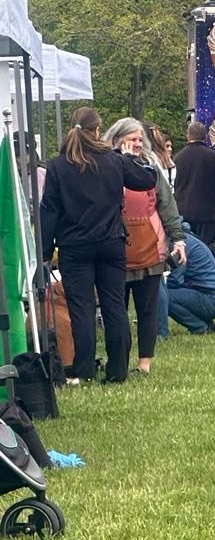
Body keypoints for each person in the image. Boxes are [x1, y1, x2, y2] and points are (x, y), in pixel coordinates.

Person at [40, 107, 157, 383]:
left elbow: (49, 212)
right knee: (114, 305)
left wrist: (45, 253)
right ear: (96, 130)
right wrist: (132, 157)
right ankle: (117, 370)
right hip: (111, 243)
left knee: (81, 309)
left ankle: (84, 371)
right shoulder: (114, 160)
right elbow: (147, 179)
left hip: (74, 246)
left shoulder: (58, 166)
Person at [102, 118, 187, 375]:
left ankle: (144, 363)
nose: (137, 143)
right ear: (117, 140)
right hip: (116, 248)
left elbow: (167, 205)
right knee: (116, 311)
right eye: (132, 139)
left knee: (148, 308)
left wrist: (178, 238)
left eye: (140, 139)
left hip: (150, 245)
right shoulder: (106, 166)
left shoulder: (151, 168)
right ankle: (119, 361)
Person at [172, 121, 215, 247]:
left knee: (188, 253)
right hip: (208, 215)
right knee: (210, 253)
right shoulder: (213, 157)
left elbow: (172, 186)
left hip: (184, 215)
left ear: (188, 136)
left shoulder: (178, 158)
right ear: (205, 137)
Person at [166, 222, 215, 334]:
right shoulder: (187, 237)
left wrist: (158, 286)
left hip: (212, 299)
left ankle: (199, 327)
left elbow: (175, 280)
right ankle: (208, 324)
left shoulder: (180, 244)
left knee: (164, 297)